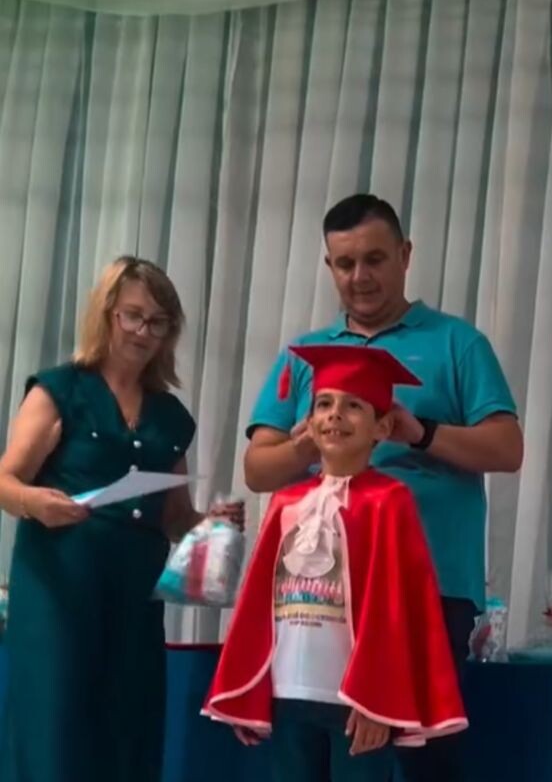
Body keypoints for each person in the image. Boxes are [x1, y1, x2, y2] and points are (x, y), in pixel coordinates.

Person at [245, 193, 523, 782]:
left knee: (422, 754)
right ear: (329, 266)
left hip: (428, 586)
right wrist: (314, 440)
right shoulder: (306, 356)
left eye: (374, 259)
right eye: (345, 264)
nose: (360, 277)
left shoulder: (457, 343)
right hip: (320, 595)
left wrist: (420, 433)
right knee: (313, 753)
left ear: (405, 255)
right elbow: (258, 470)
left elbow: (507, 449)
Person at [0, 256, 241, 782]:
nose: (143, 332)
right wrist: (36, 503)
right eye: (133, 316)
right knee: (53, 729)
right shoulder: (60, 390)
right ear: (107, 313)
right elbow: (5, 480)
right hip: (58, 590)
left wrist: (211, 525)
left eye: (158, 322)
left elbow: (175, 517)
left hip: (133, 599)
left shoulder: (170, 416)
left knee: (127, 730)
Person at [206, 344, 467, 778]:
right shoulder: (287, 502)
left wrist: (379, 699)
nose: (335, 415)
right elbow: (259, 602)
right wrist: (250, 691)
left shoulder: (389, 501)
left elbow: (395, 610)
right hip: (288, 689)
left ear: (383, 426)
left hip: (354, 700)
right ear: (308, 423)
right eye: (324, 404)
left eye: (354, 406)